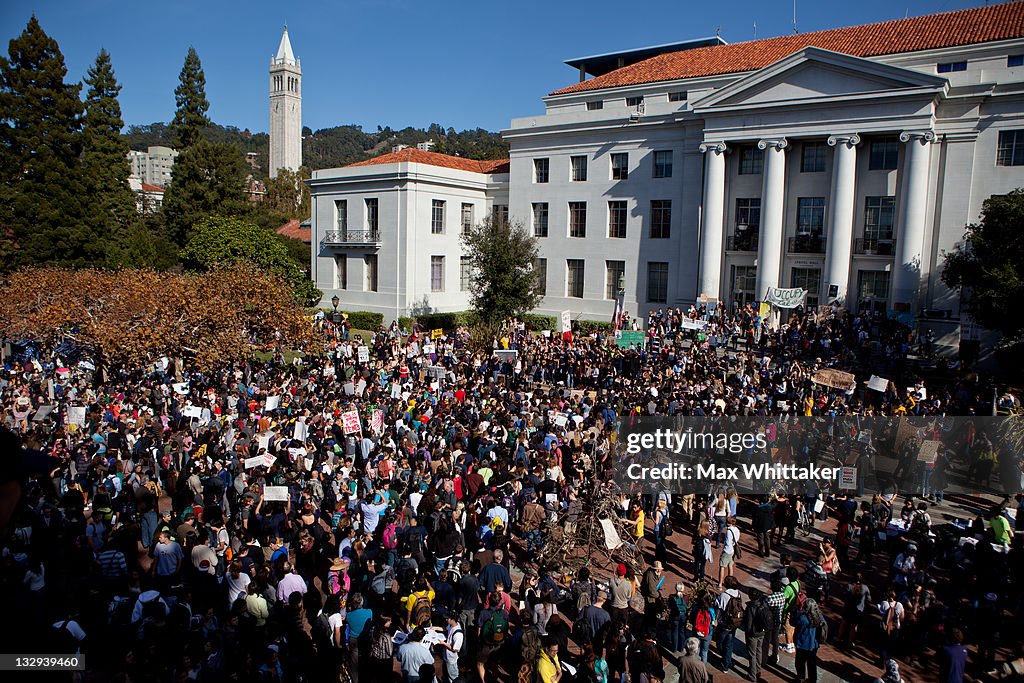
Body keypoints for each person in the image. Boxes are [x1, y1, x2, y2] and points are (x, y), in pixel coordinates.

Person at [714, 575, 743, 673]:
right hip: (734, 623)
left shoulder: (724, 595)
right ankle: (727, 661)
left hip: (725, 623)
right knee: (729, 643)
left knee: (719, 642)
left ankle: (725, 661)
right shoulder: (738, 594)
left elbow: (719, 606)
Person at [792, 597, 823, 683]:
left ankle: (801, 678)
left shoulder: (803, 618)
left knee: (799, 663)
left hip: (802, 644)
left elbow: (793, 622)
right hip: (813, 645)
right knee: (812, 664)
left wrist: (795, 611)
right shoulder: (819, 616)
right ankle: (812, 680)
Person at [743, 589, 771, 683]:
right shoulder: (763, 604)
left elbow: (749, 624)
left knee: (752, 654)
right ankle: (758, 671)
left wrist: (747, 632)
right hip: (761, 632)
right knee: (759, 651)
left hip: (753, 634)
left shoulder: (751, 607)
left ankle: (752, 674)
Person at [718, 516, 740, 588]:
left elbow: (727, 542)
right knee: (730, 566)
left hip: (727, 550)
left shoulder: (728, 531)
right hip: (733, 550)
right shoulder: (737, 529)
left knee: (722, 566)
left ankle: (720, 584)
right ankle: (730, 582)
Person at [667, 583, 688, 653]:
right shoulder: (685, 597)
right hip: (683, 616)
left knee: (675, 631)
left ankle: (674, 648)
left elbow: (669, 606)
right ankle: (681, 647)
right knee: (682, 632)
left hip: (675, 616)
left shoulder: (671, 597)